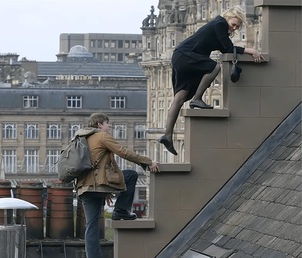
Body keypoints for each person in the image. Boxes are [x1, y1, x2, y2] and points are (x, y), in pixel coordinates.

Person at [159, 6, 265, 156]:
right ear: (228, 16)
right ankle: (197, 99)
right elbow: (228, 48)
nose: (234, 27)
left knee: (180, 98)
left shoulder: (219, 28)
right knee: (214, 67)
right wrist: (251, 50)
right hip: (187, 56)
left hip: (181, 56)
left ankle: (167, 135)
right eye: (234, 23)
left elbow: (224, 48)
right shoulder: (220, 23)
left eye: (237, 26)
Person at [75, 113, 159, 258]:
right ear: (99, 124)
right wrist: (147, 161)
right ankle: (121, 210)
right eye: (108, 123)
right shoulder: (101, 136)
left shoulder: (81, 137)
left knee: (91, 226)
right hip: (99, 183)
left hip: (85, 187)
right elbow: (123, 152)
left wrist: (106, 191)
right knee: (131, 175)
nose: (110, 126)